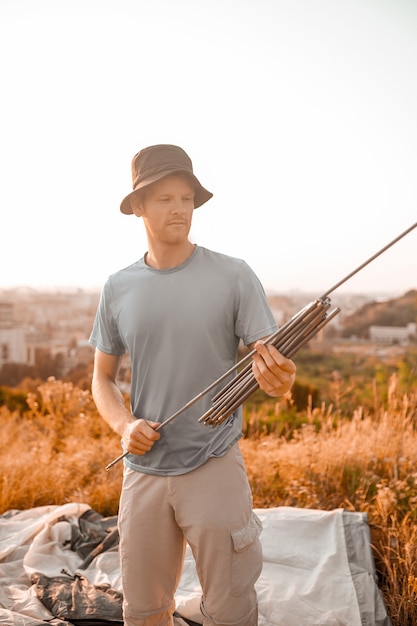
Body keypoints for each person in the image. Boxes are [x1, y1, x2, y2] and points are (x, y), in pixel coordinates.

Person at [89, 144, 296, 626]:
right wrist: (125, 425)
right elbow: (101, 378)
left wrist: (279, 381)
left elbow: (271, 363)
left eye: (186, 197)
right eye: (164, 198)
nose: (180, 208)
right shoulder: (118, 287)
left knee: (230, 609)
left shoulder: (234, 275)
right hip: (142, 470)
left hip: (214, 462)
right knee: (142, 612)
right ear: (138, 206)